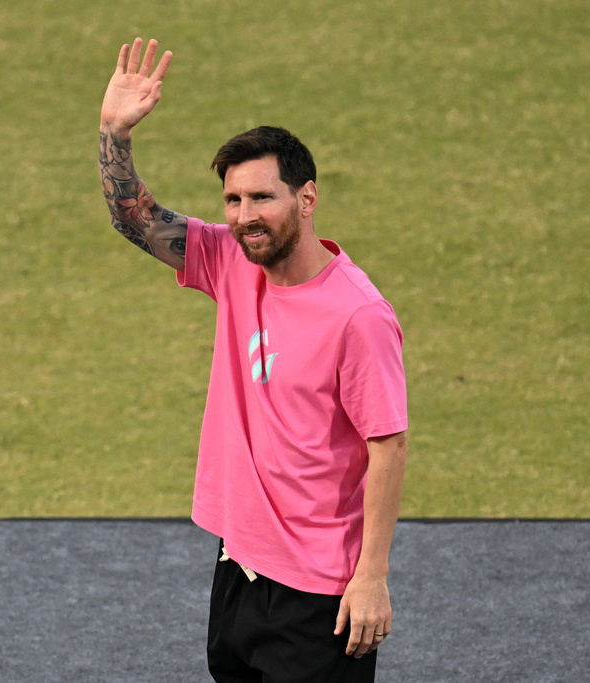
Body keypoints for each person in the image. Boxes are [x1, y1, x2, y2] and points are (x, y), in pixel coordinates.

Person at [99, 37, 408, 683]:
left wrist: (371, 577)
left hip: (319, 590)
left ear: (307, 198)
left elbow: (388, 443)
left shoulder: (358, 314)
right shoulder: (231, 261)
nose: (245, 218)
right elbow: (136, 218)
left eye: (262, 198)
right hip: (237, 563)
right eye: (233, 201)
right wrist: (114, 134)